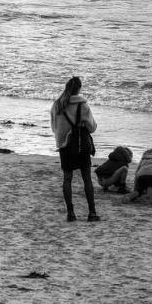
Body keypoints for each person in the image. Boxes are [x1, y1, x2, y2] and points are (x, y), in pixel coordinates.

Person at [50, 76, 100, 222]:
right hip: (81, 145)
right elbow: (92, 127)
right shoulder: (83, 106)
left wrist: (63, 139)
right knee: (87, 180)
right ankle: (92, 213)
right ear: (79, 89)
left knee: (67, 179)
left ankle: (70, 213)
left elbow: (54, 127)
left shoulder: (57, 105)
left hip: (65, 147)